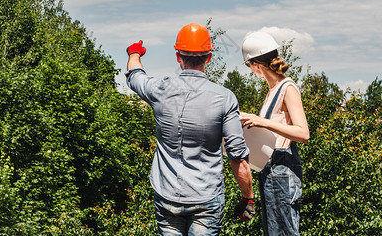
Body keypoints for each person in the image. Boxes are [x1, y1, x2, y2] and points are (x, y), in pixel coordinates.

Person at [125, 23, 255, 235]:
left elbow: (134, 74)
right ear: (209, 57)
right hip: (206, 197)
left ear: (178, 56)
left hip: (167, 195)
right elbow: (237, 156)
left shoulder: (159, 89)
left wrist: (134, 52)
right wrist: (247, 197)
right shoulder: (225, 98)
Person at [239, 31, 310, 236]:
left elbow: (303, 133)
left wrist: (262, 121)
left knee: (285, 231)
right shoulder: (272, 90)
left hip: (283, 168)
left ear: (256, 65)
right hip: (270, 169)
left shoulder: (288, 88)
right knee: (273, 231)